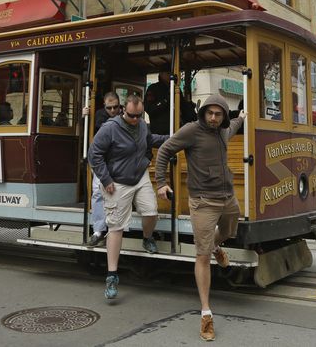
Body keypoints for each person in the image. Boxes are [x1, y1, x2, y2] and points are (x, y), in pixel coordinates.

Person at [155, 95, 245, 342]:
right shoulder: (191, 131)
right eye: (210, 113)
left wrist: (242, 117)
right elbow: (164, 150)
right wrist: (161, 182)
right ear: (203, 113)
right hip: (203, 201)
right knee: (202, 254)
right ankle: (206, 313)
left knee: (228, 231)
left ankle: (216, 245)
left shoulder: (225, 129)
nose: (213, 117)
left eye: (218, 114)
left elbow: (235, 124)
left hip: (228, 198)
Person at [88, 95, 169, 300]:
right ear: (124, 110)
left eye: (138, 115)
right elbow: (94, 154)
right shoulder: (109, 128)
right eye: (132, 115)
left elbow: (150, 140)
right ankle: (112, 276)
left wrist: (172, 138)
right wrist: (106, 180)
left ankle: (147, 238)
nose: (135, 119)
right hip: (117, 181)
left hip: (139, 176)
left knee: (151, 211)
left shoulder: (142, 125)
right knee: (116, 227)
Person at [82, 92, 123, 247]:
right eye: (109, 108)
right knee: (98, 192)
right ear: (104, 106)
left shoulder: (126, 115)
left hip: (119, 161)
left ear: (120, 105)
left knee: (118, 193)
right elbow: (88, 130)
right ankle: (98, 230)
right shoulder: (98, 115)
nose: (112, 110)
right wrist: (84, 117)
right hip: (101, 161)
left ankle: (115, 229)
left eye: (115, 107)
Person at [145, 71, 197, 135]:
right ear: (161, 74)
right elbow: (149, 109)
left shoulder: (176, 88)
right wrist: (166, 101)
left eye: (171, 73)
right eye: (168, 73)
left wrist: (193, 115)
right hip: (160, 132)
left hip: (177, 129)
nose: (170, 75)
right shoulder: (153, 88)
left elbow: (183, 106)